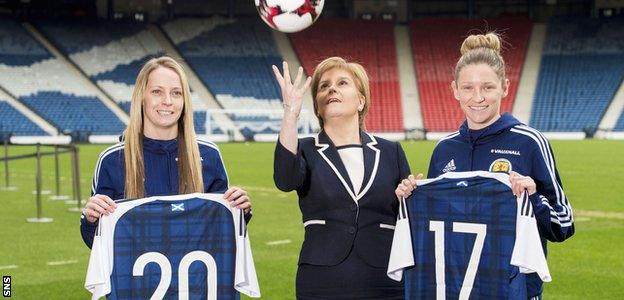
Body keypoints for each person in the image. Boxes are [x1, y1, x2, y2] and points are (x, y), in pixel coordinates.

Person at [397, 33, 574, 299]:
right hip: (455, 289)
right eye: (468, 88)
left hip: (513, 291)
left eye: (487, 87)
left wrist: (534, 197)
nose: (477, 97)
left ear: (505, 87)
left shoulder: (529, 142)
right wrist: (410, 197)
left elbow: (564, 225)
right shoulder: (444, 149)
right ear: (455, 89)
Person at [272, 57, 412, 299]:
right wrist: (290, 114)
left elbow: (408, 216)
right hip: (321, 280)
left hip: (385, 279)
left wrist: (409, 194)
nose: (332, 89)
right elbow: (284, 179)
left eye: (342, 83)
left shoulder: (391, 151)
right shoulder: (304, 148)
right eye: (324, 86)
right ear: (317, 106)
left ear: (361, 101)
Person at [80, 56, 251, 248]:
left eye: (176, 93)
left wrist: (240, 210)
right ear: (141, 97)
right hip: (134, 278)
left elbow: (223, 232)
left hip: (197, 276)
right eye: (157, 92)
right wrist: (91, 219)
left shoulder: (209, 154)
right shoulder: (112, 160)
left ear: (185, 101)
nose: (167, 101)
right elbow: (96, 243)